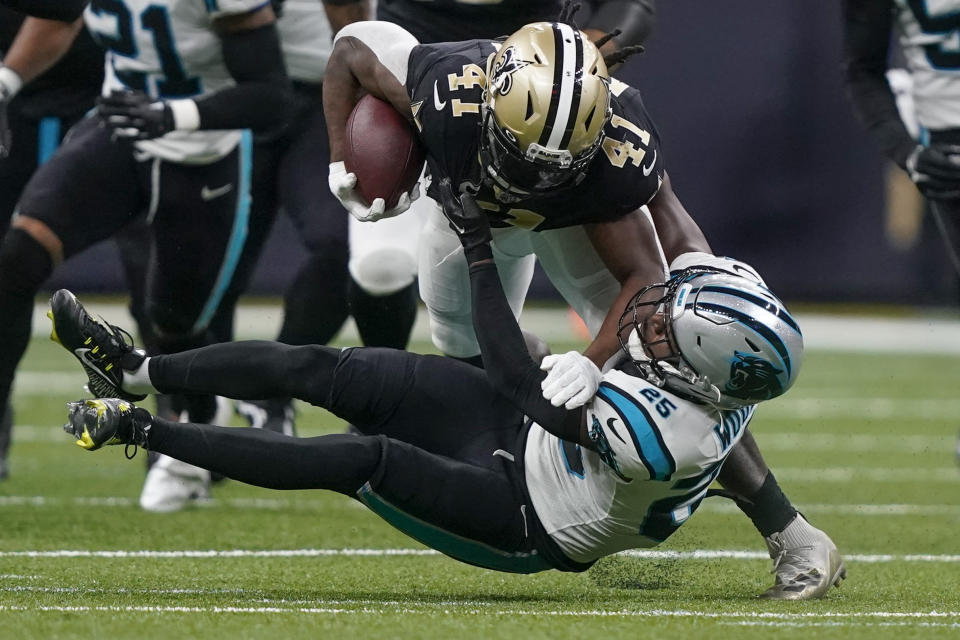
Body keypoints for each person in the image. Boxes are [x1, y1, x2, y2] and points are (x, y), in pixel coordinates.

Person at [50, 181, 844, 593]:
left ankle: (135, 430)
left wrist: (473, 247)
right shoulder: (718, 333)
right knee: (325, 369)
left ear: (698, 370)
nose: (655, 311)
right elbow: (674, 223)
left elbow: (506, 368)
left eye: (670, 327)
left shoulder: (668, 437)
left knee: (359, 459)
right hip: (530, 428)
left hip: (527, 515)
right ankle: (136, 369)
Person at [323, 13, 844, 599]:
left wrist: (602, 356)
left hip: (578, 221)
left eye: (558, 161)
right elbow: (350, 46)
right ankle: (527, 396)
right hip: (469, 216)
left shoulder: (618, 147)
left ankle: (792, 534)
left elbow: (653, 269)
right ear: (490, 102)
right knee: (463, 346)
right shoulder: (444, 87)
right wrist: (343, 154)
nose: (538, 176)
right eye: (527, 158)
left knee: (671, 359)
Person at [0, 0, 294, 496]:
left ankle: (198, 421)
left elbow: (271, 97)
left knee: (172, 326)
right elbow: (57, 15)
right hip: (118, 129)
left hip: (201, 155)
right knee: (15, 260)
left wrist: (173, 113)